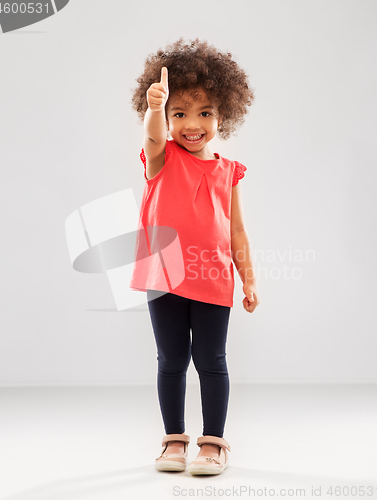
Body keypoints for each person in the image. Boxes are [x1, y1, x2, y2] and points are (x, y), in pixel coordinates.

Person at [129, 38, 260, 475]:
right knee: (171, 361)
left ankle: (214, 443)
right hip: (163, 274)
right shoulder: (161, 159)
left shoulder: (228, 171)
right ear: (167, 121)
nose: (192, 124)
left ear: (223, 115)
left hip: (213, 278)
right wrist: (153, 108)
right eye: (179, 114)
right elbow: (151, 135)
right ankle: (173, 439)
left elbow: (236, 229)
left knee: (211, 360)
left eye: (205, 113)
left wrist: (250, 279)